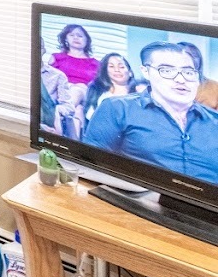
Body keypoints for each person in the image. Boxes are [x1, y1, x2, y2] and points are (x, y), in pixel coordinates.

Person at [83, 41, 218, 185]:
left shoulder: (214, 121)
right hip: (136, 196)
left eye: (188, 72)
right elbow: (89, 165)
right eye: (167, 71)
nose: (181, 79)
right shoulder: (117, 108)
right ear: (146, 72)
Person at [82, 53, 136, 125]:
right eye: (111, 66)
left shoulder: (138, 93)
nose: (117, 70)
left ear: (130, 72)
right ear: (105, 71)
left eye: (121, 67)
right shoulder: (98, 93)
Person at [51, 24, 100, 89]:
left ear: (87, 40)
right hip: (60, 90)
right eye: (71, 35)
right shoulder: (56, 58)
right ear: (66, 39)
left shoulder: (96, 64)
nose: (76, 38)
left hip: (85, 92)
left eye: (80, 36)